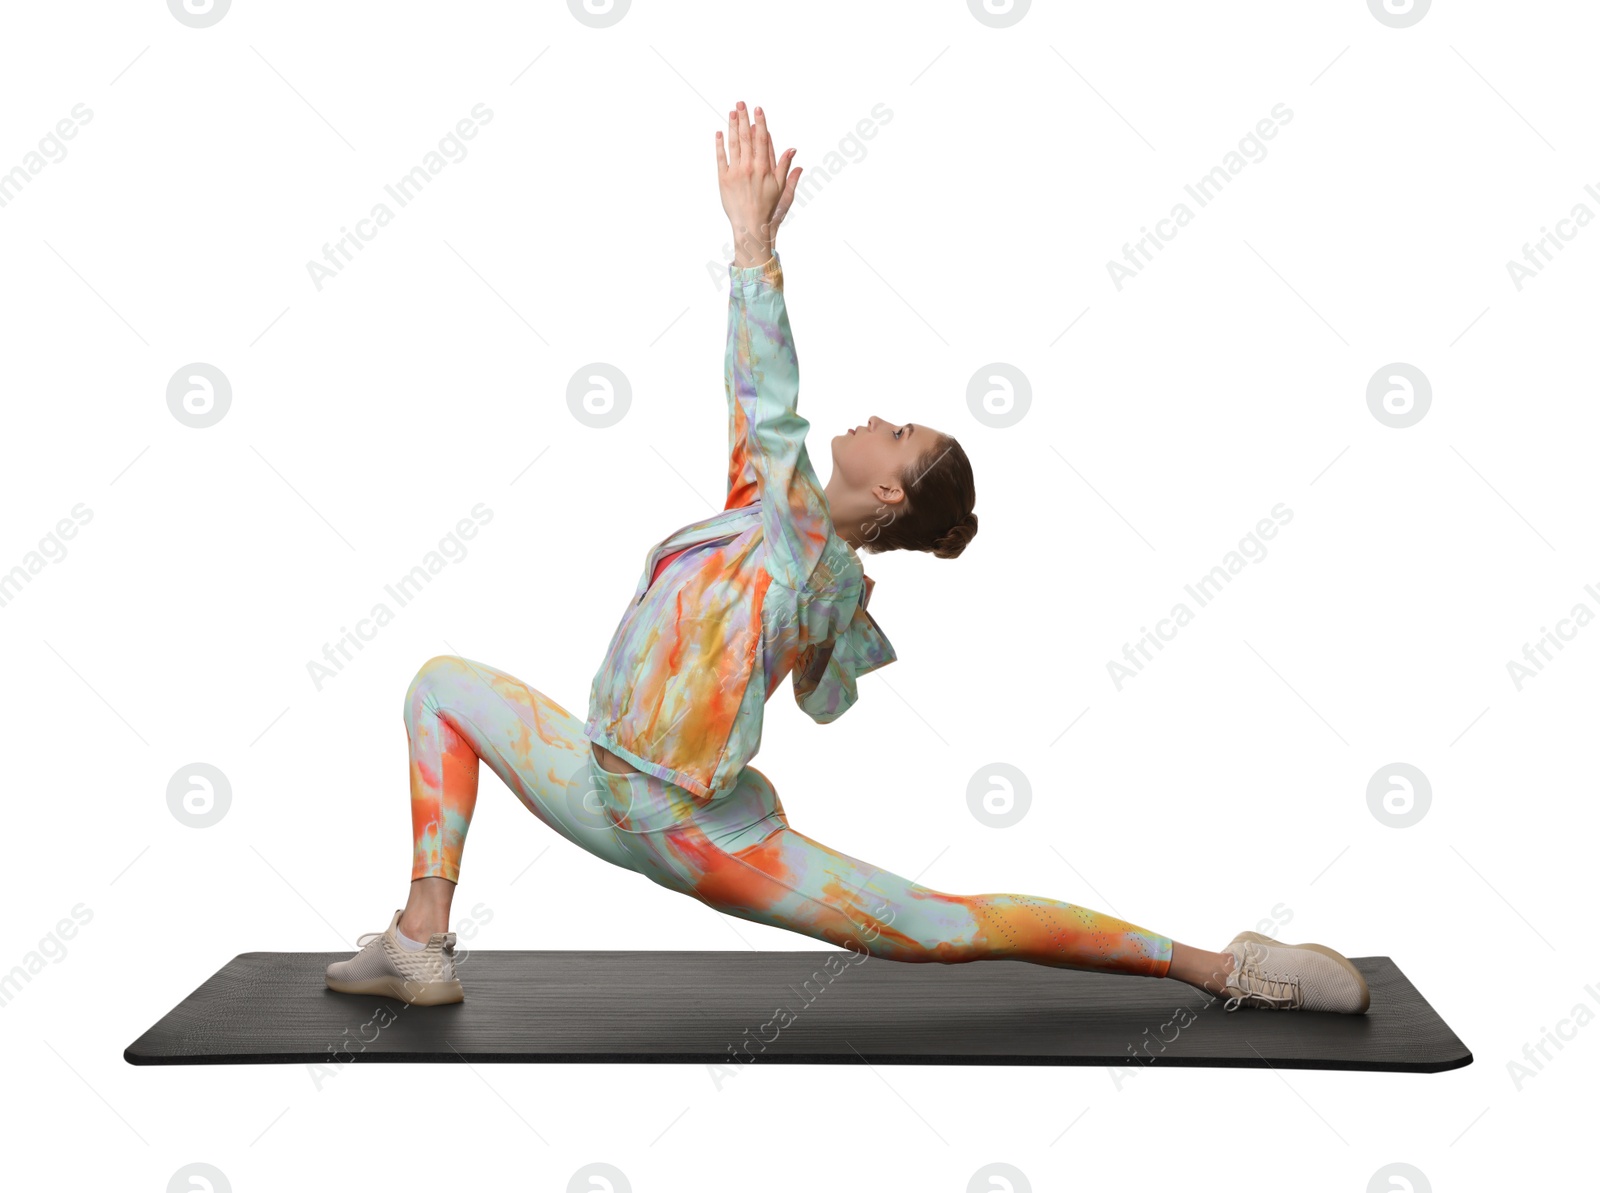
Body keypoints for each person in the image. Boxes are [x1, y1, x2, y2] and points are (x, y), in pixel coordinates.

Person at [326, 102, 1369, 1016]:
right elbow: (752, 425)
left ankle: (1222, 968)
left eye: (897, 431)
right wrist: (751, 260)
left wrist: (750, 248)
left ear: (888, 492)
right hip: (599, 778)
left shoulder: (813, 559)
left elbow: (768, 402)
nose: (874, 418)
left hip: (690, 829)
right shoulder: (763, 515)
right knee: (441, 688)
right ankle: (419, 937)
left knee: (939, 928)